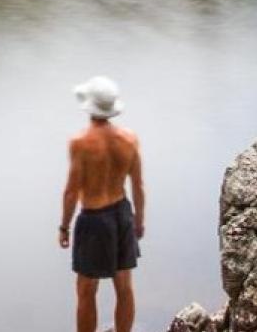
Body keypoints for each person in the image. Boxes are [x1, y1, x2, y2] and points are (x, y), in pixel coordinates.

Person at [59, 76, 145, 332]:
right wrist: (139, 221)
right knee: (124, 285)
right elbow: (138, 186)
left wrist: (64, 227)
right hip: (121, 213)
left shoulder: (80, 143)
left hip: (94, 218)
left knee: (86, 290)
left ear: (89, 107)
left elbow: (71, 192)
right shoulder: (130, 140)